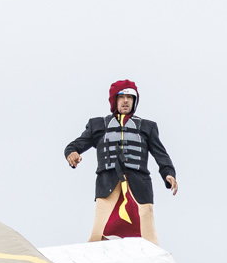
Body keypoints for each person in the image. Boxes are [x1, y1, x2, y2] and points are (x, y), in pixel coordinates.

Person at [64, 81, 177, 244]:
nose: (125, 101)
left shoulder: (147, 127)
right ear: (114, 100)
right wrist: (72, 153)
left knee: (147, 228)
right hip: (107, 184)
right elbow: (75, 145)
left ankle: (151, 256)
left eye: (130, 97)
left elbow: (161, 154)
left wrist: (169, 174)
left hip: (139, 185)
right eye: (122, 97)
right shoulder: (98, 126)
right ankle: (96, 255)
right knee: (100, 228)